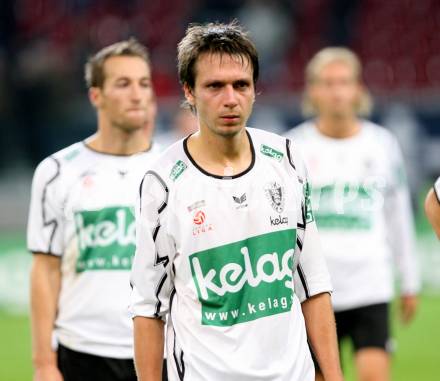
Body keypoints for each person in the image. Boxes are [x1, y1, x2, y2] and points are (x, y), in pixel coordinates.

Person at [129, 21, 343, 381]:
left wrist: (334, 376)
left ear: (255, 90)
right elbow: (149, 308)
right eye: (214, 86)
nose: (230, 98)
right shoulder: (162, 184)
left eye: (240, 85)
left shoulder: (286, 160)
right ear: (189, 92)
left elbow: (312, 282)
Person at [27, 38, 164, 381]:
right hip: (82, 352)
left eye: (144, 83)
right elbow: (45, 269)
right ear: (96, 96)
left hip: (158, 349)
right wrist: (44, 363)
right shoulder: (58, 170)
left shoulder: (173, 169)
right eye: (123, 83)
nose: (137, 94)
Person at [284, 47, 420, 381]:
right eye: (327, 83)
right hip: (314, 290)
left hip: (369, 285)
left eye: (344, 82)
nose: (336, 91)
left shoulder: (382, 144)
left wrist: (410, 279)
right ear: (312, 90)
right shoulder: (292, 147)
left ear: (358, 89)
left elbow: (398, 215)